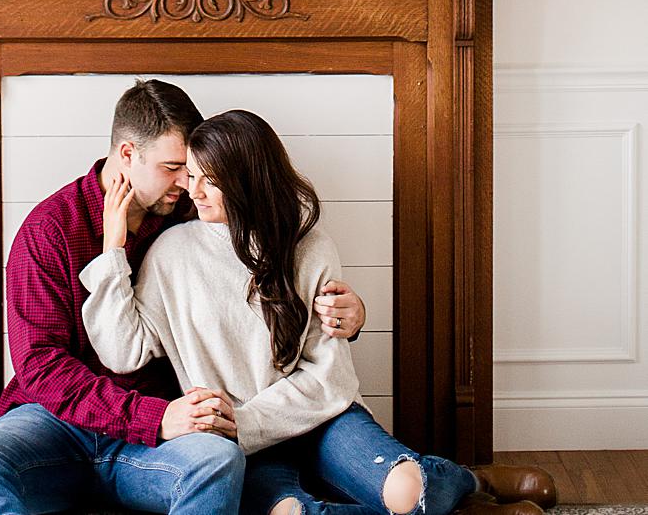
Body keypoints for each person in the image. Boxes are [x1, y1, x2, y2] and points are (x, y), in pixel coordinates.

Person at [80, 109, 558, 515]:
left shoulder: (309, 248)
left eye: (211, 180)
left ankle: (467, 483)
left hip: (323, 420)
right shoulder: (171, 254)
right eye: (191, 176)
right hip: (241, 444)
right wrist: (113, 249)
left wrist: (248, 419)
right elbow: (123, 353)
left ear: (247, 182)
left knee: (407, 489)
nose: (193, 191)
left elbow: (328, 377)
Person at [0, 80, 366, 515]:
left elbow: (269, 286)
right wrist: (150, 417)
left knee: (218, 460)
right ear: (128, 154)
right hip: (59, 425)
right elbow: (41, 367)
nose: (187, 183)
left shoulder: (196, 212)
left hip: (161, 437)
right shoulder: (50, 230)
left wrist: (344, 315)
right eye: (172, 167)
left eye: (193, 169)